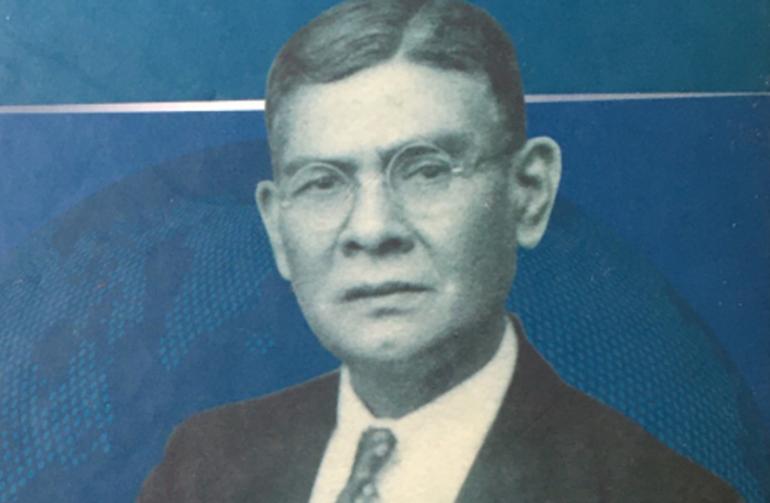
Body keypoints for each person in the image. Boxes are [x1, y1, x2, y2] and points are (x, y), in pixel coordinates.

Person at [138, 0, 741, 501]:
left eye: (426, 170)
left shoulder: (660, 492)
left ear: (528, 193)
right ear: (277, 228)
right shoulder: (202, 468)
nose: (372, 230)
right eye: (322, 182)